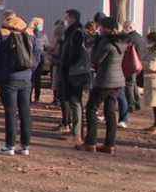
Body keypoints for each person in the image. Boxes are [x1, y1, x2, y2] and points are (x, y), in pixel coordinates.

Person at [82, 17, 128, 154]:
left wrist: (95, 44)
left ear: (107, 28)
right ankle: (110, 144)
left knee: (91, 108)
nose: (99, 29)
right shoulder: (121, 42)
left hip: (105, 81)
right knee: (110, 112)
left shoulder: (106, 43)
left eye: (101, 27)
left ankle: (91, 142)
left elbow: (95, 60)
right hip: (118, 81)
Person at [0, 12, 34, 156]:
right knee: (25, 111)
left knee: (10, 112)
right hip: (26, 77)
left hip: (8, 78)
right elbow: (37, 54)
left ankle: (9, 145)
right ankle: (25, 145)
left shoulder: (1, 33)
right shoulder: (28, 33)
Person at [60, 9, 89, 147]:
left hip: (74, 72)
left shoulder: (76, 32)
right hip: (71, 70)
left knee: (75, 101)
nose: (65, 19)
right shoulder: (72, 32)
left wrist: (67, 63)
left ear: (72, 18)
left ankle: (77, 133)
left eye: (67, 17)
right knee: (71, 101)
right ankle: (74, 130)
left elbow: (76, 53)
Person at [122, 21, 146, 113]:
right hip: (139, 64)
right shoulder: (140, 37)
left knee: (129, 84)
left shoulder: (129, 38)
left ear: (130, 27)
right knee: (134, 84)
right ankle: (137, 103)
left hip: (131, 64)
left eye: (125, 28)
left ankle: (130, 104)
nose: (124, 30)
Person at [47, 20, 66, 109]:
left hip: (57, 64)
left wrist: (50, 52)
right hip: (58, 64)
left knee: (56, 83)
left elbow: (57, 53)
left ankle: (57, 100)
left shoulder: (60, 42)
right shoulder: (64, 41)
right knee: (56, 83)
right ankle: (57, 100)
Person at [28, 17, 47, 103]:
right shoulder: (32, 34)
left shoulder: (41, 34)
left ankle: (35, 97)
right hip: (34, 59)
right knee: (33, 80)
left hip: (38, 59)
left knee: (35, 80)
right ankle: (32, 98)